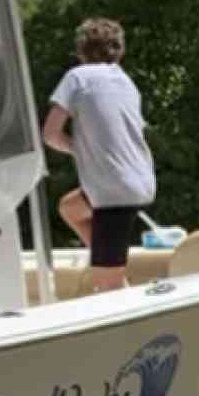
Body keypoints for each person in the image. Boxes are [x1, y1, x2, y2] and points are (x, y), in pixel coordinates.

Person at [41, 17, 156, 292]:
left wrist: (77, 149)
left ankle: (111, 274)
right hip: (142, 180)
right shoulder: (127, 83)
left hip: (111, 192)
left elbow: (50, 133)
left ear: (82, 51)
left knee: (107, 286)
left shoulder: (77, 77)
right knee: (70, 208)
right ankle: (107, 261)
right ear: (119, 50)